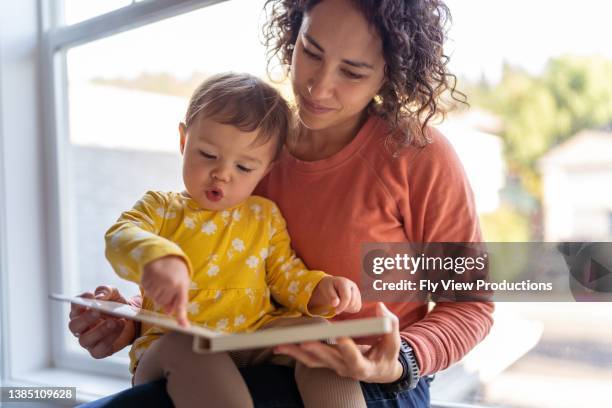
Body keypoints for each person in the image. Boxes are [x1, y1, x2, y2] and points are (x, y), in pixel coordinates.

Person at [69, 0, 494, 406]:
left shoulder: (418, 156)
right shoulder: (254, 148)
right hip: (253, 354)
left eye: (352, 71)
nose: (319, 85)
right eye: (310, 51)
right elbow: (216, 263)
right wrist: (132, 318)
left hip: (371, 384)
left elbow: (472, 306)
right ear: (294, 32)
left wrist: (402, 357)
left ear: (390, 73)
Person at [101, 71, 365, 408]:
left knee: (320, 332)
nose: (222, 173)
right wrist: (156, 258)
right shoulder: (162, 208)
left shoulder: (264, 216)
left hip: (252, 335)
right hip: (171, 346)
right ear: (184, 141)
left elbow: (285, 275)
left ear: (267, 169)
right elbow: (120, 235)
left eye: (244, 167)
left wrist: (319, 290)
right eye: (208, 155)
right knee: (189, 346)